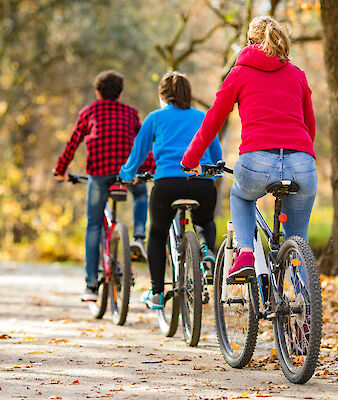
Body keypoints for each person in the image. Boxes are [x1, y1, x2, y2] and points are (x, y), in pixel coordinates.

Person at [182, 16, 317, 279]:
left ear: (250, 42)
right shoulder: (297, 74)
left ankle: (245, 253)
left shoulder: (239, 73)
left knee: (241, 195)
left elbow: (213, 120)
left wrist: (190, 159)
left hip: (256, 162)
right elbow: (309, 123)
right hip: (302, 162)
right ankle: (306, 307)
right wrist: (304, 157)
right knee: (299, 240)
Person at [119, 71, 222, 309]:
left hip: (166, 185)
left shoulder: (154, 118)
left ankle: (156, 292)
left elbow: (137, 155)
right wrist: (213, 174)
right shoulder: (202, 117)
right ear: (189, 94)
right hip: (201, 185)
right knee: (205, 220)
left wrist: (126, 176)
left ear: (161, 96)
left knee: (157, 234)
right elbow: (216, 159)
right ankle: (207, 253)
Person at [53, 70, 155, 301]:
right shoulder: (130, 112)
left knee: (93, 225)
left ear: (97, 92)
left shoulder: (88, 111)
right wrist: (147, 168)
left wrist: (61, 170)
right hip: (127, 172)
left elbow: (72, 143)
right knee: (140, 195)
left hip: (99, 173)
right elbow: (141, 144)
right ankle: (139, 235)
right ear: (120, 94)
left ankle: (90, 285)